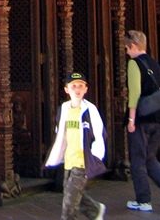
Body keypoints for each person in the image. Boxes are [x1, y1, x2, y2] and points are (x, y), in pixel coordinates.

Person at [123, 30, 160, 212]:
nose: (126, 52)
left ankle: (143, 200)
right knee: (149, 156)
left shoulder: (134, 64)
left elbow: (135, 92)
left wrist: (131, 118)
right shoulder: (155, 64)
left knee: (138, 159)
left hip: (143, 117)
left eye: (127, 48)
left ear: (134, 46)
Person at [45, 72, 107, 220]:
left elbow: (99, 134)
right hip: (69, 161)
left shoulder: (89, 111)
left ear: (86, 89)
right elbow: (60, 134)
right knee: (70, 193)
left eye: (81, 86)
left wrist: (95, 157)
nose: (77, 89)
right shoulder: (64, 109)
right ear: (67, 89)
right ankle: (95, 210)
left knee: (68, 206)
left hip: (82, 162)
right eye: (73, 86)